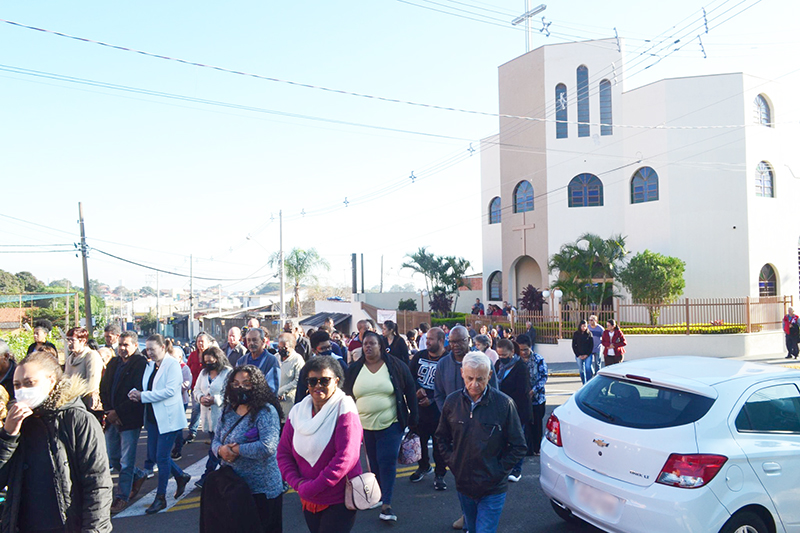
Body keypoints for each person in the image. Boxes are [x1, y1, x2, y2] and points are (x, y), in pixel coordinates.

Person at [0, 350, 113, 531]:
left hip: (66, 525)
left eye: (29, 383)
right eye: (17, 385)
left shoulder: (76, 419)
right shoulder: (18, 422)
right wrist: (8, 435)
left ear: (51, 380)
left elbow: (97, 484)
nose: (22, 391)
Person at [435, 352, 527, 533]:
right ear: (462, 373)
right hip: (464, 485)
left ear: (490, 376)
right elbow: (441, 437)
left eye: (480, 379)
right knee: (471, 527)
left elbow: (519, 446)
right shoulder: (452, 402)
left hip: (493, 488)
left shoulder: (504, 404)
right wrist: (454, 463)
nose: (474, 384)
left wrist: (498, 471)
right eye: (469, 378)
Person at [277, 355, 363, 533]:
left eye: (324, 381)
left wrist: (313, 487)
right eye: (312, 381)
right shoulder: (298, 411)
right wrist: (298, 484)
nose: (318, 386)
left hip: (338, 500)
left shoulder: (345, 408)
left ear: (336, 381)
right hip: (308, 499)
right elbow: (283, 453)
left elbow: (346, 457)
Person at [343, 330, 418, 522]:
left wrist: (413, 417)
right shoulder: (355, 368)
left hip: (391, 423)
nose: (367, 347)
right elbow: (345, 394)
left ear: (381, 346)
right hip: (364, 426)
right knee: (374, 463)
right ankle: (377, 496)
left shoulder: (395, 365)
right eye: (365, 344)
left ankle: (387, 504)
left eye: (372, 343)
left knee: (387, 460)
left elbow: (410, 388)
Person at [212, 365, 284, 533]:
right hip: (235, 489)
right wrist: (220, 450)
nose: (240, 387)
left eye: (246, 383)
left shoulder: (265, 411)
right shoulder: (228, 410)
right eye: (235, 383)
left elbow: (268, 447)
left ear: (256, 386)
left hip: (262, 491)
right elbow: (215, 440)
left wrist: (236, 450)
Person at [128, 334, 192, 514]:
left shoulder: (172, 365)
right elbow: (149, 389)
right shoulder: (150, 365)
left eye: (152, 349)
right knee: (157, 456)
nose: (149, 352)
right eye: (147, 349)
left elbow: (171, 391)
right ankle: (180, 476)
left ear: (163, 347)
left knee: (162, 457)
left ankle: (161, 497)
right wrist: (136, 393)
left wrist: (142, 396)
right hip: (153, 417)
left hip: (169, 418)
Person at [99, 330, 148, 513]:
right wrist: (109, 411)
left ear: (135, 346)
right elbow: (103, 388)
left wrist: (118, 412)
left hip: (130, 419)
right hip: (111, 417)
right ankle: (139, 475)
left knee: (127, 461)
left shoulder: (140, 363)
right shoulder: (113, 363)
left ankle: (121, 496)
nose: (122, 348)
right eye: (120, 344)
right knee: (114, 457)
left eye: (126, 344)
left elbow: (137, 392)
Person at [408, 326, 448, 490]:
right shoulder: (419, 356)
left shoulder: (447, 360)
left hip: (439, 411)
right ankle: (423, 466)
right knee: (420, 442)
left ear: (440, 340)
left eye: (431, 339)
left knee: (440, 445)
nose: (427, 342)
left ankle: (440, 475)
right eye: (426, 339)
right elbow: (410, 378)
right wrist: (417, 391)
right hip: (420, 410)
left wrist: (431, 399)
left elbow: (449, 385)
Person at [493, 338, 531, 483]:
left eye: (504, 355)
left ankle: (517, 469)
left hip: (517, 410)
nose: (501, 358)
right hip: (500, 409)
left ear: (512, 352)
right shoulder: (498, 365)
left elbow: (523, 392)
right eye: (499, 355)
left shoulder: (521, 367)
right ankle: (502, 466)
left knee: (517, 440)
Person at [194, 346, 232, 487]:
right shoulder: (204, 374)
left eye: (211, 361)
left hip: (223, 417)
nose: (209, 364)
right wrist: (201, 397)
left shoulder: (228, 373)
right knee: (216, 449)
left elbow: (231, 393)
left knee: (215, 450)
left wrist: (215, 399)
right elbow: (196, 389)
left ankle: (207, 476)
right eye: (206, 362)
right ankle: (220, 477)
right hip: (208, 418)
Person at [518, 334, 547, 456]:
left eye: (525, 349)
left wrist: (533, 391)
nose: (523, 352)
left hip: (537, 399)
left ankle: (537, 448)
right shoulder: (516, 361)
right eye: (520, 350)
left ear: (530, 347)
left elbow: (543, 377)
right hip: (522, 399)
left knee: (537, 424)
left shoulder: (538, 359)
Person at [65, 326, 104, 414]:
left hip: (86, 404)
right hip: (70, 403)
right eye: (68, 340)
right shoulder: (70, 359)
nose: (69, 343)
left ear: (83, 341)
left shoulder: (91, 356)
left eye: (72, 340)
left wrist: (75, 399)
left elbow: (92, 384)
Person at [186, 332, 215, 442]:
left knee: (209, 411)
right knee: (196, 409)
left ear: (208, 343)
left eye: (202, 341)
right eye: (198, 341)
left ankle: (211, 432)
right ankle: (192, 431)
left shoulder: (212, 355)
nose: (200, 344)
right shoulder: (193, 355)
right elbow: (188, 369)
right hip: (195, 388)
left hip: (208, 388)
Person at [237, 327, 281, 394]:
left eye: (255, 340)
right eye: (249, 340)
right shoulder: (241, 361)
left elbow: (273, 389)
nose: (251, 343)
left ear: (263, 341)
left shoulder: (271, 361)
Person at [171, 341, 194, 460]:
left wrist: (173, 388)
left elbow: (187, 384)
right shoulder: (169, 367)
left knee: (177, 425)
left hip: (181, 400)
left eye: (174, 357)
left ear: (180, 357)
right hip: (170, 401)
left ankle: (178, 448)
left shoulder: (184, 368)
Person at [276, 333, 305, 424]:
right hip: (276, 400)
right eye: (280, 347)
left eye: (284, 348)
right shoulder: (276, 357)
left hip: (289, 400)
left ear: (292, 347)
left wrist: (282, 390)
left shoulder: (297, 359)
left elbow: (298, 380)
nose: (281, 350)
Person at [572, 320, 594, 384]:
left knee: (588, 368)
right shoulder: (576, 334)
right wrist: (578, 355)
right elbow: (574, 345)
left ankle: (589, 383)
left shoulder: (589, 333)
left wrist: (587, 354)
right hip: (579, 355)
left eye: (585, 326)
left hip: (587, 355)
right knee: (581, 370)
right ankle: (584, 383)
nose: (583, 328)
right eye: (582, 326)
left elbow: (591, 345)